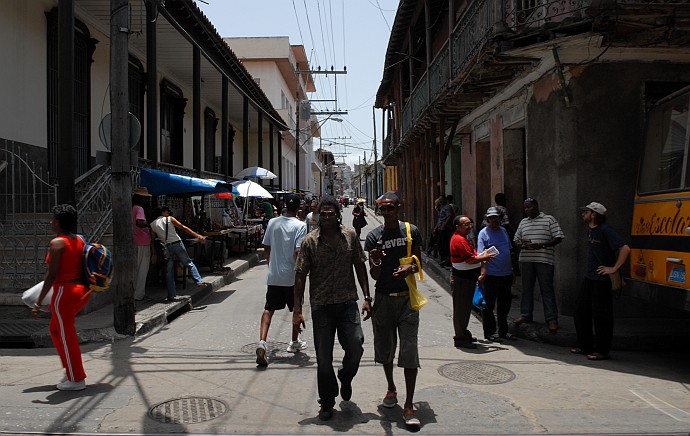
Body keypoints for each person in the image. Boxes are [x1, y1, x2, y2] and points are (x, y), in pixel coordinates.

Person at [293, 196, 371, 421]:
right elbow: (300, 277)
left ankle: (345, 377)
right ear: (319, 216)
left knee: (356, 345)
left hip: (347, 303)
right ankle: (327, 402)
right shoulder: (310, 242)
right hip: (322, 306)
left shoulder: (350, 236)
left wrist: (367, 297)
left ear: (338, 215)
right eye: (323, 214)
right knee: (323, 358)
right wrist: (298, 311)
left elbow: (359, 265)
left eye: (331, 214)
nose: (327, 218)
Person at [364, 192, 424, 427]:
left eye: (390, 208)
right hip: (383, 299)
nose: (386, 212)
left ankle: (409, 406)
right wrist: (376, 260)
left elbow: (419, 261)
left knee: (409, 350)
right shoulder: (373, 237)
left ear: (399, 208)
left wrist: (409, 269)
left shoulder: (411, 231)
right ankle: (391, 388)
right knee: (385, 348)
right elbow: (375, 275)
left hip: (408, 298)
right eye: (383, 209)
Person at [31, 204, 90, 391]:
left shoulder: (57, 243)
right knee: (56, 331)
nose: (51, 222)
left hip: (64, 292)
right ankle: (70, 370)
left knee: (66, 335)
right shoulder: (79, 240)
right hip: (80, 290)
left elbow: (51, 275)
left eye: (53, 219)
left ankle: (77, 378)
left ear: (58, 222)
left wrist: (39, 301)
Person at [572, 202, 630, 361]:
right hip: (589, 277)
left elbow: (625, 249)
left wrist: (613, 268)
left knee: (601, 316)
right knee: (580, 312)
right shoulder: (591, 230)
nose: (583, 214)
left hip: (602, 280)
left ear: (594, 214)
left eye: (586, 212)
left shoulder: (605, 230)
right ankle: (585, 346)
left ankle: (602, 351)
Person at [255, 194, 308, 366]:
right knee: (296, 308)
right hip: (292, 277)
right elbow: (298, 251)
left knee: (268, 309)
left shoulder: (273, 222)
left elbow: (266, 247)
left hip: (274, 275)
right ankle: (293, 342)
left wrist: (271, 266)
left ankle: (262, 342)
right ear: (298, 207)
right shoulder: (300, 225)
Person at [513, 198, 565, 332]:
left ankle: (551, 319)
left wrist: (542, 245)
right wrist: (520, 244)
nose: (526, 210)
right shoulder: (523, 222)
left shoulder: (549, 219)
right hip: (526, 260)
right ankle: (526, 315)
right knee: (526, 289)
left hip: (544, 260)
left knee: (546, 289)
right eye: (525, 208)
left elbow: (558, 237)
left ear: (536, 206)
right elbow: (516, 239)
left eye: (528, 207)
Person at [450, 215, 496, 349]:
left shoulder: (464, 238)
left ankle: (463, 333)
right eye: (466, 225)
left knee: (464, 308)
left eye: (470, 224)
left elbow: (473, 255)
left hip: (467, 279)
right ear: (458, 227)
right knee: (461, 310)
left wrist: (483, 256)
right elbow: (470, 259)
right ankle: (460, 337)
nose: (469, 227)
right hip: (462, 279)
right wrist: (485, 257)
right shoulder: (459, 240)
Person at [151, 206, 208, 302]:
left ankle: (171, 295)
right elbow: (183, 227)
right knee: (188, 263)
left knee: (169, 272)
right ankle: (198, 281)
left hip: (166, 247)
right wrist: (198, 235)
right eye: (167, 211)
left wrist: (153, 253)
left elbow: (152, 240)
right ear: (163, 212)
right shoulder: (169, 219)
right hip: (177, 244)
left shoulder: (152, 224)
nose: (168, 212)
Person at [476, 207, 515, 341]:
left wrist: (512, 270)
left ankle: (503, 331)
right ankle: (489, 332)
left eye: (496, 218)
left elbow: (508, 251)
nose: (494, 220)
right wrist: (483, 272)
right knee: (489, 305)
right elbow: (481, 255)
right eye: (491, 218)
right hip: (491, 275)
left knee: (504, 304)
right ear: (487, 219)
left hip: (506, 274)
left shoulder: (503, 231)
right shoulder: (483, 233)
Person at [132, 187, 156, 302]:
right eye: (146, 198)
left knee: (136, 269)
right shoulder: (140, 209)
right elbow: (139, 223)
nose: (147, 201)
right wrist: (150, 225)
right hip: (142, 241)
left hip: (135, 241)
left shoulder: (132, 208)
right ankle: (138, 294)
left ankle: (136, 293)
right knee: (142, 269)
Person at [437, 196, 455, 266]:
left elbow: (450, 216)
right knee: (440, 243)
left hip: (446, 228)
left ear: (445, 200)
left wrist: (444, 225)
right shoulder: (441, 208)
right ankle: (443, 259)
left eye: (441, 200)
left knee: (445, 244)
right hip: (441, 228)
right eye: (439, 200)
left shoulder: (447, 207)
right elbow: (440, 219)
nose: (440, 201)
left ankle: (447, 259)